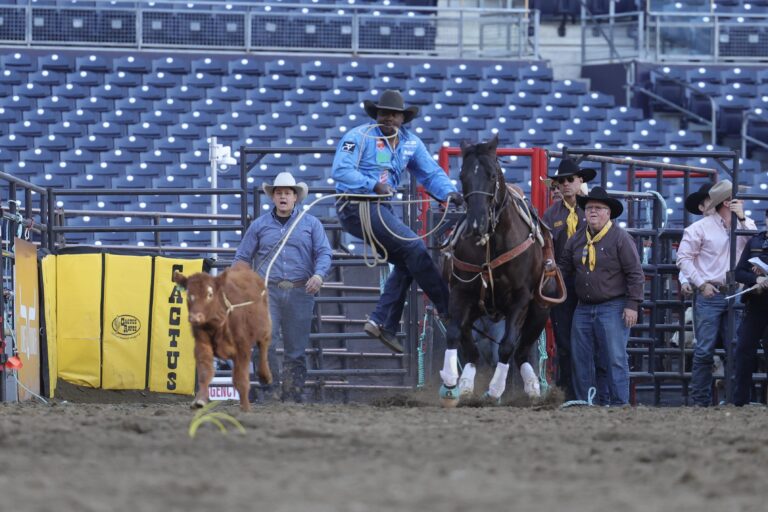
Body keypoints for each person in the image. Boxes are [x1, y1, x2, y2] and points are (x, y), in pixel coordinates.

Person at [331, 89, 462, 354]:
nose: (388, 118)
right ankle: (448, 310)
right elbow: (341, 170)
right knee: (415, 247)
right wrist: (372, 185)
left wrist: (448, 193)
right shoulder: (358, 136)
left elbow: (431, 173)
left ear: (403, 118)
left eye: (394, 114)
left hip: (380, 208)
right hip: (357, 205)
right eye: (384, 113)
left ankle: (382, 322)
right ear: (376, 115)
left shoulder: (410, 143)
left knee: (407, 261)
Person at [232, 172, 333, 403]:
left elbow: (324, 253)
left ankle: (292, 393)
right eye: (279, 193)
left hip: (300, 291)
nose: (283, 197)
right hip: (267, 292)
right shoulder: (259, 225)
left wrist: (319, 274)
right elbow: (242, 257)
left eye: (288, 193)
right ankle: (270, 391)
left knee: (296, 348)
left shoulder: (311, 224)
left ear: (295, 197)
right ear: (273, 197)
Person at [559, 186, 644, 406]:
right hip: (583, 306)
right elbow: (563, 268)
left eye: (598, 208)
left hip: (613, 305)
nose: (593, 212)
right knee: (581, 357)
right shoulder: (577, 239)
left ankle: (619, 403)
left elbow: (635, 273)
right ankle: (588, 402)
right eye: (589, 208)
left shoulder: (620, 238)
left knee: (615, 357)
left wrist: (632, 304)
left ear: (608, 213)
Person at [676, 180, 756, 406]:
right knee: (705, 350)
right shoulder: (699, 228)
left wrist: (741, 218)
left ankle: (734, 399)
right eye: (735, 198)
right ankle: (702, 401)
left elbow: (757, 244)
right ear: (727, 202)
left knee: (735, 349)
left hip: (733, 293)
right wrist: (702, 284)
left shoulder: (744, 223)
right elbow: (683, 258)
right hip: (712, 293)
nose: (740, 201)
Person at [542, 158, 596, 400]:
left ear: (580, 181)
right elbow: (546, 248)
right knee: (564, 342)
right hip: (563, 283)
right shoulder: (551, 214)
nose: (565, 184)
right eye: (561, 181)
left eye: (570, 180)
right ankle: (568, 393)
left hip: (590, 283)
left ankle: (588, 391)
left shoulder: (591, 210)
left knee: (589, 339)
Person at [733, 208, 768, 406]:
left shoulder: (756, 242)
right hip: (756, 304)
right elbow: (739, 272)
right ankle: (740, 401)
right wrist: (756, 278)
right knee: (744, 350)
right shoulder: (755, 242)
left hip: (757, 304)